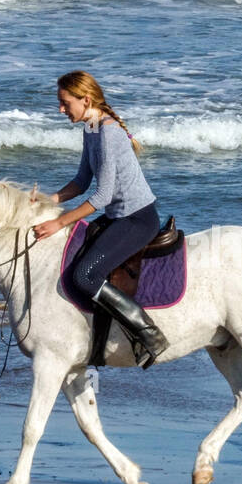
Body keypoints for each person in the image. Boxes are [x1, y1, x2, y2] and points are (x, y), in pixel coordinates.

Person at [31, 70, 169, 368]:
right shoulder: (91, 129)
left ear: (86, 100)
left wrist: (59, 221)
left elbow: (102, 196)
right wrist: (48, 200)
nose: (61, 109)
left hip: (136, 219)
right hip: (119, 217)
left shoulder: (107, 133)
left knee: (84, 276)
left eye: (65, 103)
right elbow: (81, 181)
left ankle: (149, 333)